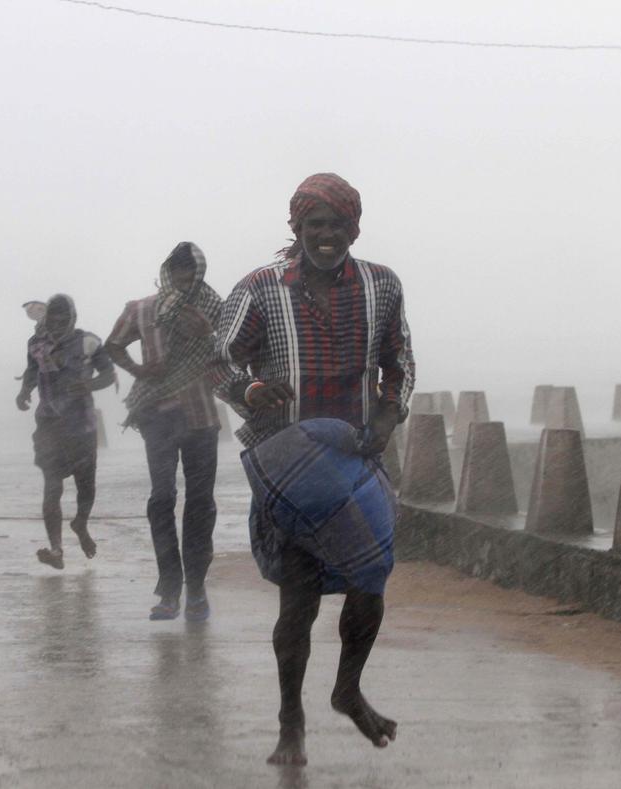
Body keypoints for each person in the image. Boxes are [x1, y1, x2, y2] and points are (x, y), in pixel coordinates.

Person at [212, 173, 414, 765]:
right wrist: (249, 390)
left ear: (355, 228)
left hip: (353, 458)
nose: (327, 236)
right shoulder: (261, 289)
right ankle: (289, 721)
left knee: (370, 582)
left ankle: (347, 688)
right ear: (296, 229)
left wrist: (388, 413)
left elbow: (397, 357)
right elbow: (218, 361)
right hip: (289, 464)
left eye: (338, 226)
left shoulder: (381, 285)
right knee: (297, 603)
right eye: (315, 225)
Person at [105, 242, 223, 621]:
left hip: (201, 417)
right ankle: (170, 588)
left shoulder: (214, 308)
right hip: (157, 417)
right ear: (167, 271)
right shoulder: (143, 309)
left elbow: (233, 352)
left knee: (201, 504)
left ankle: (197, 589)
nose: (184, 276)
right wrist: (139, 372)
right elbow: (114, 345)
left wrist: (208, 334)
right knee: (161, 499)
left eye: (191, 270)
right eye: (178, 269)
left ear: (200, 272)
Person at [16, 294, 115, 569]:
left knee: (86, 486)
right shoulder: (37, 344)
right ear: (46, 320)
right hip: (49, 425)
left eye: (63, 320)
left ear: (72, 319)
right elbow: (31, 371)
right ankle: (56, 549)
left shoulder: (89, 343)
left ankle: (80, 524)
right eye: (53, 320)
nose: (57, 325)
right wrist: (24, 391)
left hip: (82, 426)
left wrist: (89, 386)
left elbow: (109, 375)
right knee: (52, 487)